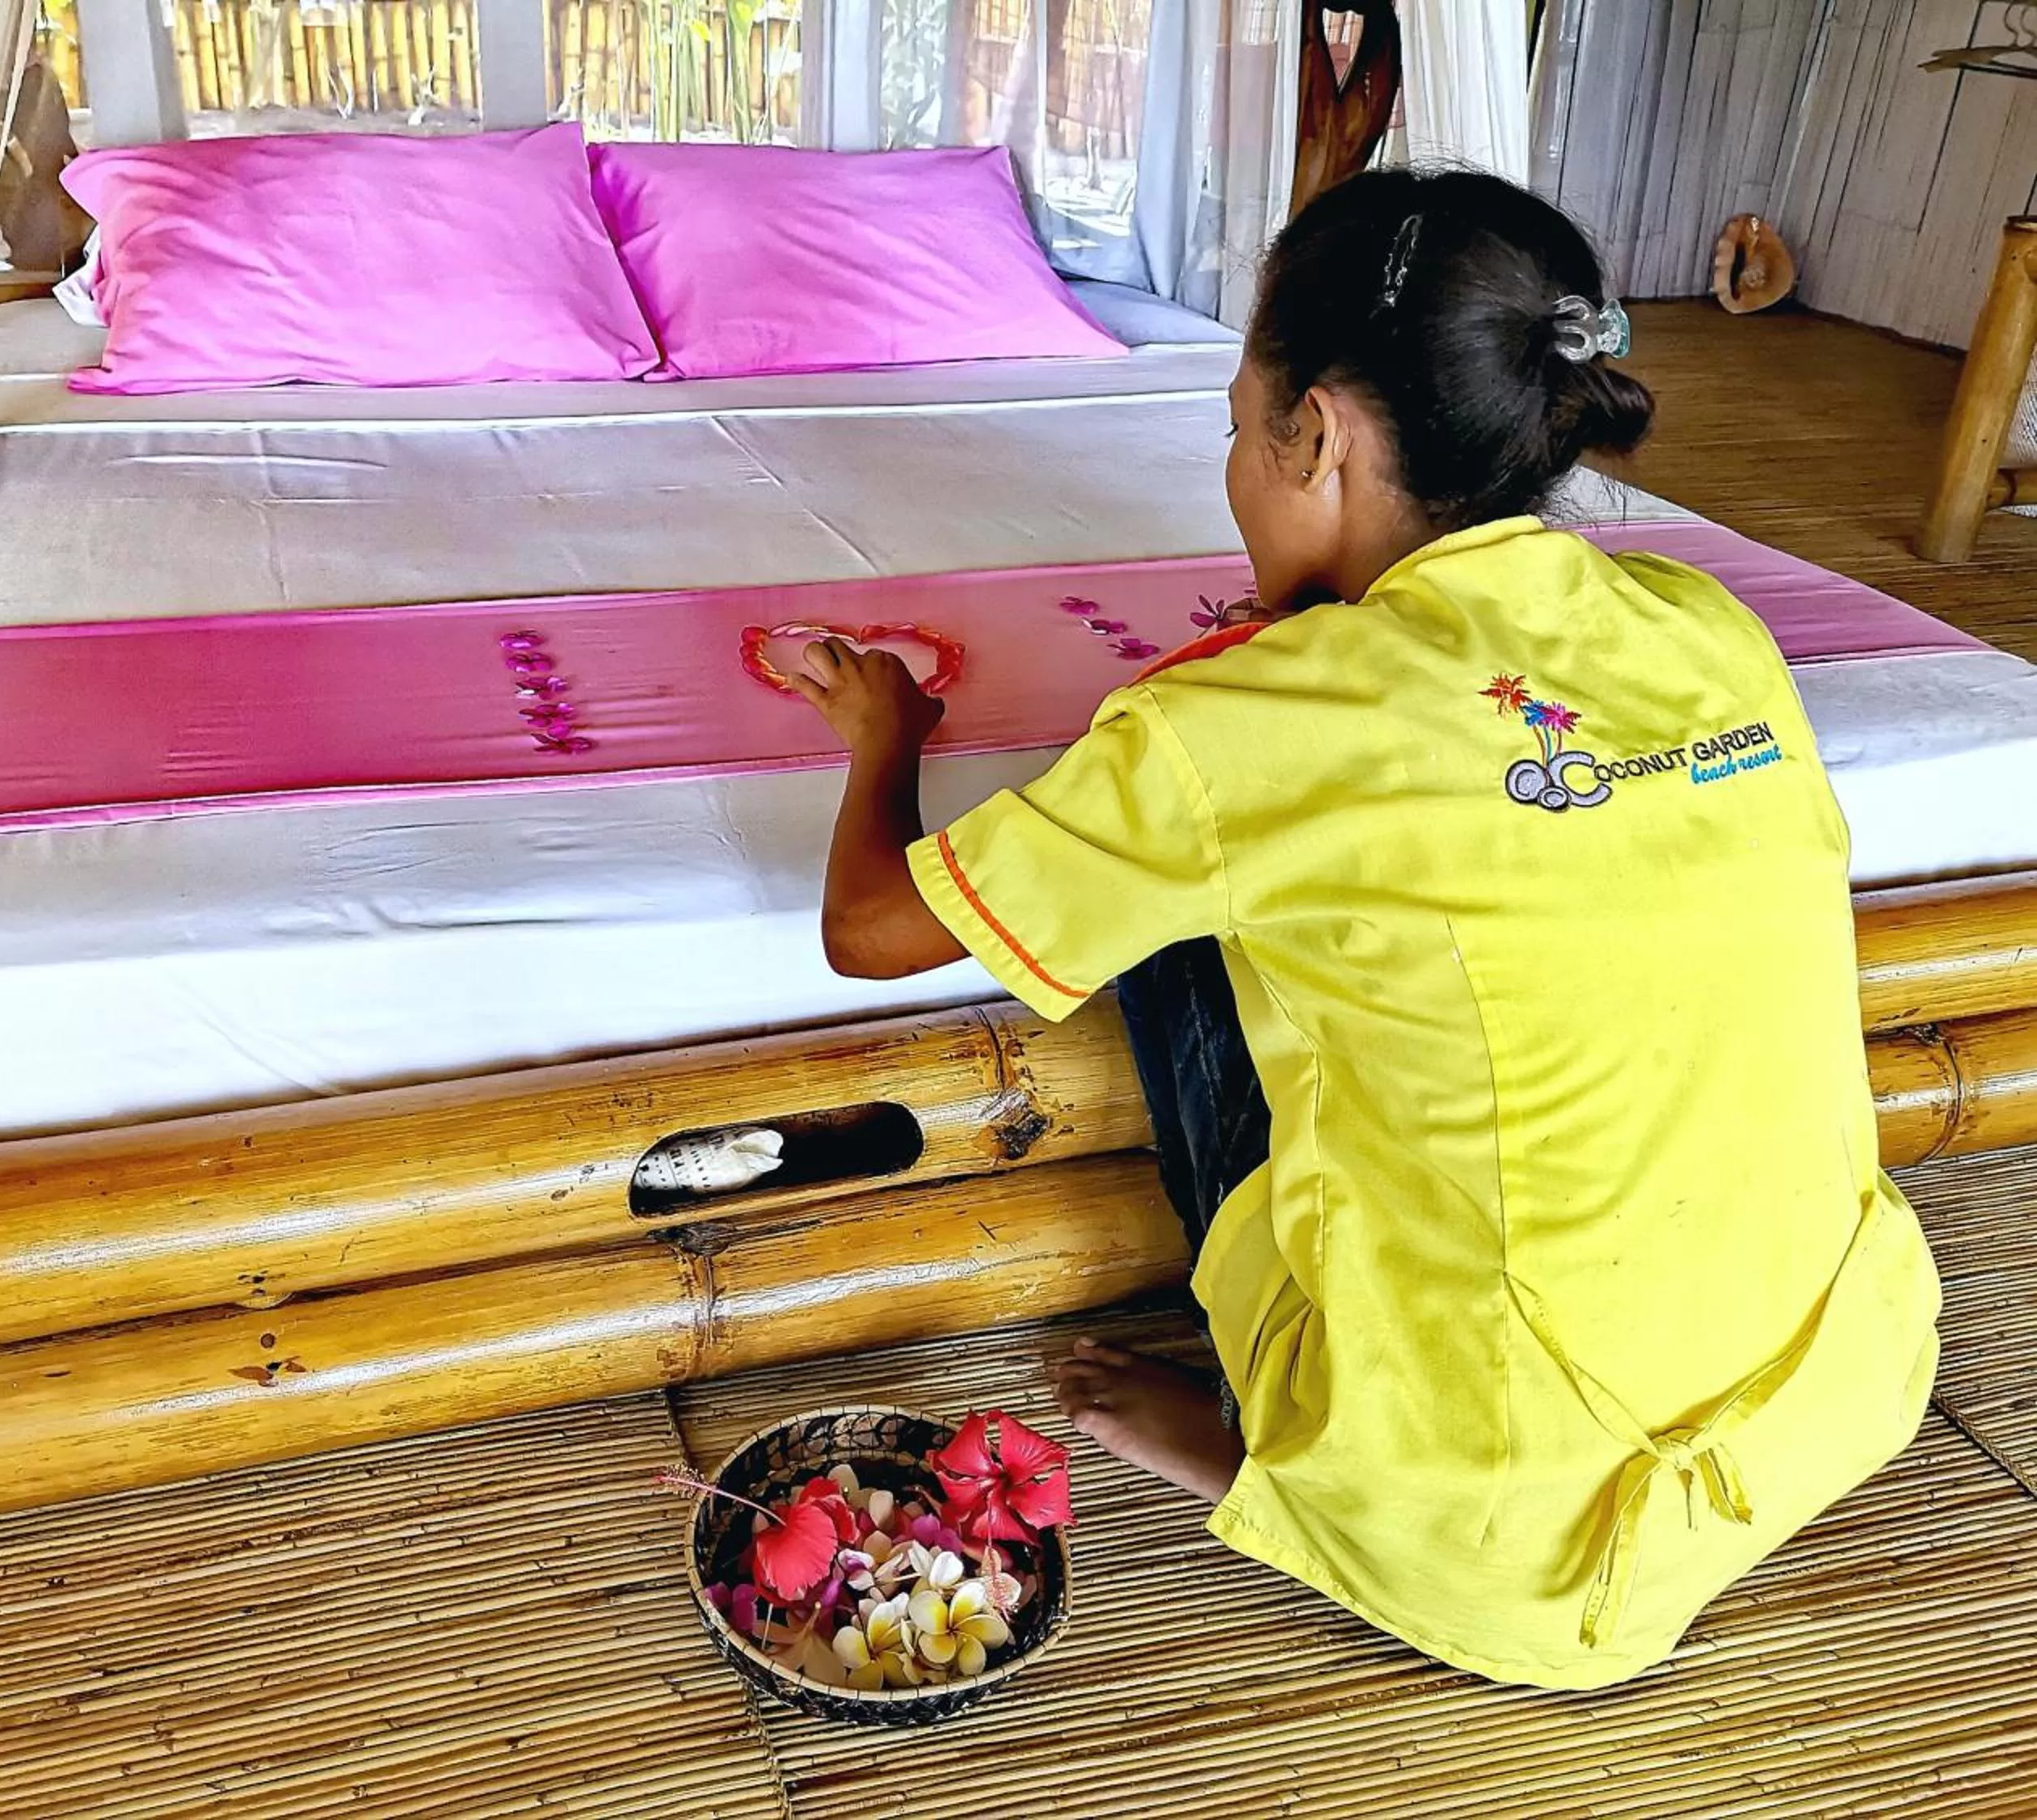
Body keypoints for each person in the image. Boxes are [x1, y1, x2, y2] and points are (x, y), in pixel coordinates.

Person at [787, 167, 1941, 1691]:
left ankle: (1287, 1444)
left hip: (1507, 1524)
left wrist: (889, 727)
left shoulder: (1236, 725)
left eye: (1235, 432)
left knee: (1182, 880)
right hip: (1834, 1379)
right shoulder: (1698, 619)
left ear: (1316, 435)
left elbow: (869, 930)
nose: (1235, 469)